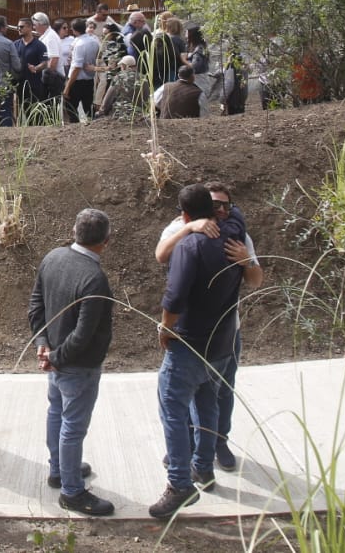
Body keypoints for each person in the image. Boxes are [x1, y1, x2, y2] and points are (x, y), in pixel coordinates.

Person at [151, 183, 246, 520]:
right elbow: (235, 216)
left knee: (173, 410)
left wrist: (165, 327)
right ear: (217, 209)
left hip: (189, 344)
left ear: (184, 214)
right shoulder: (235, 230)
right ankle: (203, 469)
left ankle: (179, 484)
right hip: (222, 344)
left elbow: (175, 298)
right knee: (207, 404)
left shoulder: (189, 246)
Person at [29, 208, 116, 516]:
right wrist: (54, 356)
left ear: (74, 232)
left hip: (54, 359)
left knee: (57, 412)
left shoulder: (53, 257)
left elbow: (35, 304)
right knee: (73, 427)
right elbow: (83, 335)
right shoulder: (94, 279)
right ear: (106, 241)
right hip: (76, 366)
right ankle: (72, 491)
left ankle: (59, 470)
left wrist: (44, 346)